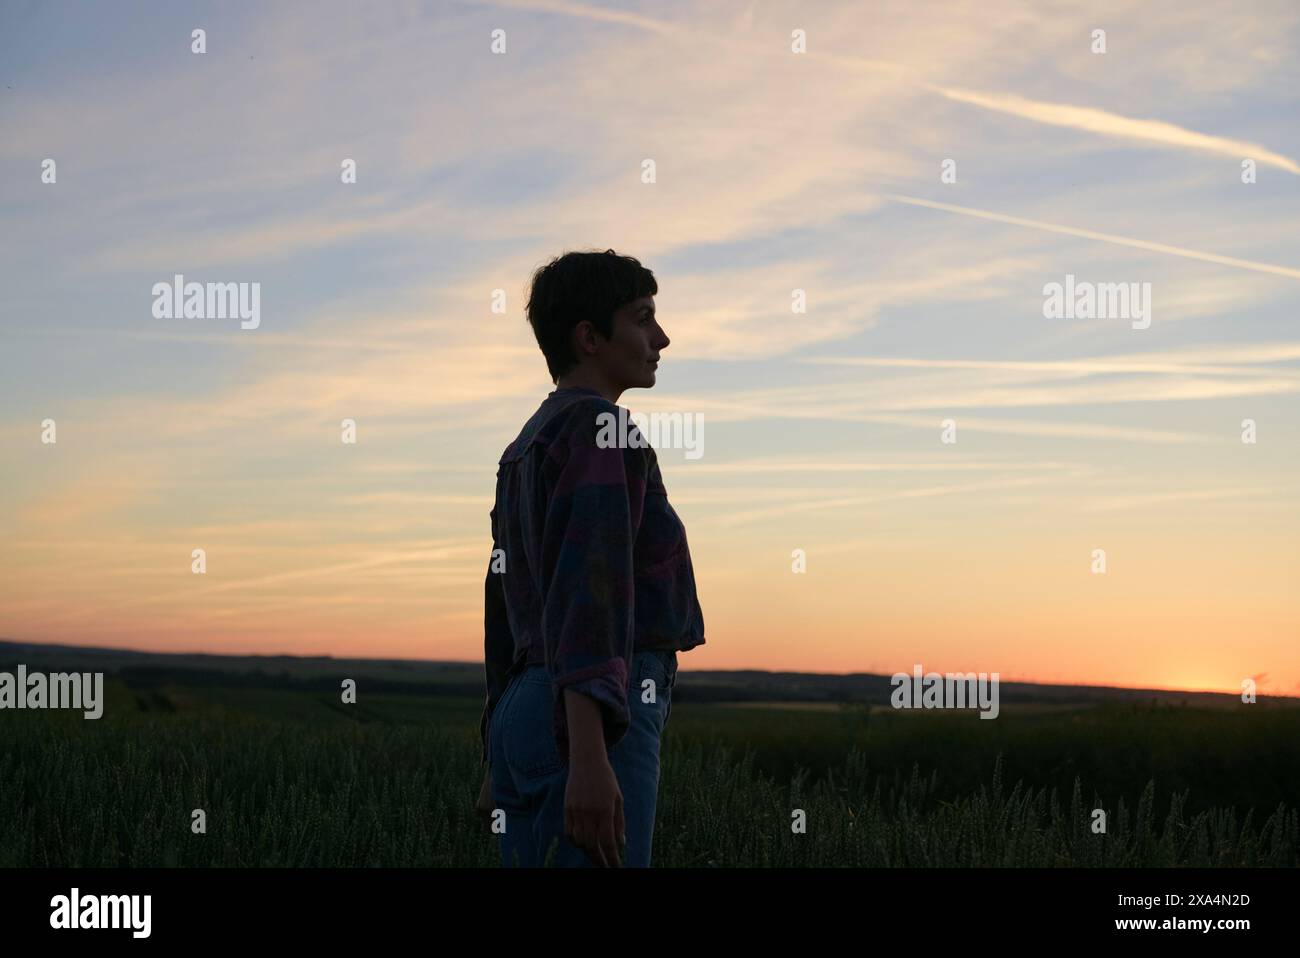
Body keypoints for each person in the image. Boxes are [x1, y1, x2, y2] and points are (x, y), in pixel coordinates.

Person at [474, 248, 705, 867]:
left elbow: (503, 603)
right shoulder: (606, 432)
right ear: (589, 337)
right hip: (596, 714)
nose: (661, 337)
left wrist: (497, 751)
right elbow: (590, 596)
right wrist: (590, 757)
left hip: (525, 711)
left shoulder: (526, 443)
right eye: (642, 318)